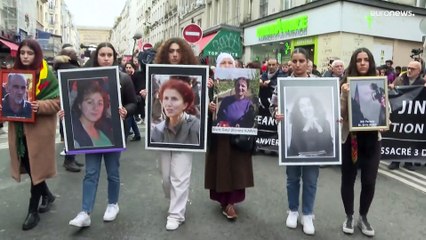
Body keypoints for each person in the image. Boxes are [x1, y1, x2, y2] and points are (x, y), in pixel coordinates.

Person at [68, 42, 137, 228]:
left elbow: (134, 102)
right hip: (91, 137)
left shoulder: (123, 78)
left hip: (113, 133)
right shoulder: (83, 78)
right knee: (91, 172)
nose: (106, 58)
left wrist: (125, 111)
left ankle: (113, 204)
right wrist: (65, 112)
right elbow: (72, 102)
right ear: (96, 57)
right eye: (102, 54)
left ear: (115, 57)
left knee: (113, 172)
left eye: (109, 55)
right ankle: (85, 212)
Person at [0, 39, 60, 230]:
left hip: (39, 132)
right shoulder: (11, 74)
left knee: (36, 169)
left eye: (30, 53)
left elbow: (58, 101)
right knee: (28, 164)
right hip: (18, 131)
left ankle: (32, 211)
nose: (25, 56)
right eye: (23, 53)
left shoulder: (47, 75)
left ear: (37, 54)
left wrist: (39, 105)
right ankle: (48, 195)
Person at [141, 37, 199, 231]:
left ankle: (176, 214)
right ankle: (176, 199)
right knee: (167, 177)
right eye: (171, 51)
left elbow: (200, 103)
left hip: (185, 130)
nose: (174, 54)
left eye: (178, 51)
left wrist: (206, 89)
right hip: (165, 131)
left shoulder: (194, 76)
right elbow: (154, 107)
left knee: (180, 175)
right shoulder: (157, 75)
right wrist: (146, 95)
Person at [270, 48, 319, 235]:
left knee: (311, 178)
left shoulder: (319, 83)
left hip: (314, 140)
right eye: (295, 61)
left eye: (301, 61)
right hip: (291, 137)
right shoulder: (283, 83)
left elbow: (327, 108)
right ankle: (292, 210)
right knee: (292, 177)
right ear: (291, 63)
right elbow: (272, 105)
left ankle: (307, 214)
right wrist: (276, 113)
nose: (298, 64)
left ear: (308, 62)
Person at [205, 52, 254, 221]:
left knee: (237, 167)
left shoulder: (244, 90)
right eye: (223, 62)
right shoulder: (210, 84)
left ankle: (231, 202)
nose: (227, 65)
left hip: (239, 137)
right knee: (222, 167)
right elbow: (200, 106)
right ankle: (224, 200)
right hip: (220, 137)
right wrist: (209, 107)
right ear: (217, 66)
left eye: (229, 62)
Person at [340, 47, 382, 237]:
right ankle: (349, 215)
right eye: (359, 60)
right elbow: (339, 114)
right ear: (354, 63)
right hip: (351, 139)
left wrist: (385, 121)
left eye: (366, 59)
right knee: (348, 179)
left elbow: (385, 110)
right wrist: (343, 95)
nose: (363, 63)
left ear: (370, 62)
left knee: (369, 181)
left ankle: (363, 217)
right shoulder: (346, 85)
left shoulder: (378, 84)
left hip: (372, 140)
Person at [387, 60, 426, 171]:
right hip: (400, 113)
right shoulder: (400, 79)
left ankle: (409, 161)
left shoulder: (422, 82)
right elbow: (392, 89)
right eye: (408, 68)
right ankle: (395, 161)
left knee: (411, 138)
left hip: (414, 115)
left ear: (419, 71)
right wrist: (391, 87)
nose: (409, 70)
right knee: (398, 136)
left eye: (412, 69)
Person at [53, 45, 83, 172]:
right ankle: (69, 161)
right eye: (74, 53)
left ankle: (71, 158)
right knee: (72, 134)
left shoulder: (58, 68)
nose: (76, 55)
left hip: (65, 106)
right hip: (72, 105)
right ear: (69, 56)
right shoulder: (71, 68)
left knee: (69, 134)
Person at [151, 79, 200, 144]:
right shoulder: (157, 130)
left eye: (174, 99)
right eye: (166, 98)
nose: (168, 104)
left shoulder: (196, 126)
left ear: (185, 105)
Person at [71, 80, 114, 148]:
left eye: (99, 103)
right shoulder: (74, 133)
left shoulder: (104, 128)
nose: (95, 108)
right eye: (90, 102)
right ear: (79, 105)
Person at [124, 62, 142, 141]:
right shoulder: (125, 77)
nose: (128, 69)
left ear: (133, 68)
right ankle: (137, 134)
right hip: (128, 100)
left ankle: (124, 136)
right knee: (131, 117)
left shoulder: (135, 76)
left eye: (129, 67)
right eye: (127, 67)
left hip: (134, 99)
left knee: (128, 117)